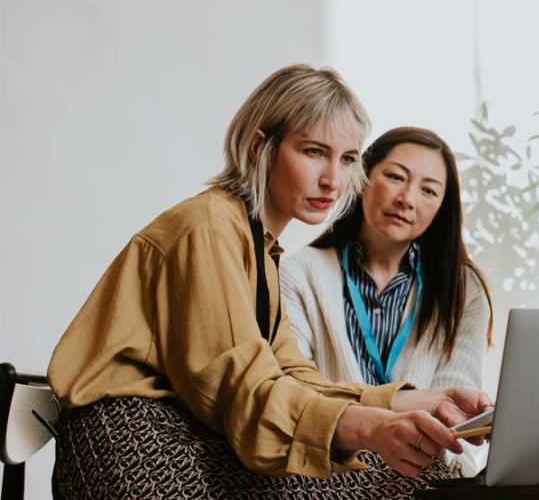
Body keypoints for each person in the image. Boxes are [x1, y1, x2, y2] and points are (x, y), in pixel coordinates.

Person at [47, 65, 490, 499]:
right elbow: (249, 395)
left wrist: (423, 402)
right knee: (403, 477)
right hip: (129, 441)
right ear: (260, 147)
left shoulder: (257, 244)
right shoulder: (209, 228)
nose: (333, 180)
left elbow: (292, 378)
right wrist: (374, 429)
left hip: (184, 434)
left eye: (347, 159)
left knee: (416, 472)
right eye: (314, 152)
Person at [280, 127, 493, 475]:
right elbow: (294, 394)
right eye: (395, 177)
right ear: (361, 179)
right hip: (328, 473)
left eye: (428, 190)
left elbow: (458, 425)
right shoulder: (297, 273)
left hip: (425, 475)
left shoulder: (463, 289)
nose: (407, 199)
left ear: (441, 208)